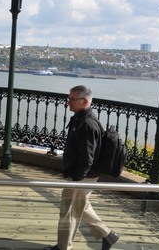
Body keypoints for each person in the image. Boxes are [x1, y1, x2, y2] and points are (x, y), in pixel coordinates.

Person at [44, 85, 119, 250]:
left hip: (82, 175)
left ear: (84, 101)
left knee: (68, 210)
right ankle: (108, 235)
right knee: (80, 205)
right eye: (68, 98)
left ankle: (63, 247)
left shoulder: (87, 124)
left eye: (72, 99)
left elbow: (87, 157)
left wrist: (75, 179)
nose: (68, 102)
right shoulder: (81, 118)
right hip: (84, 174)